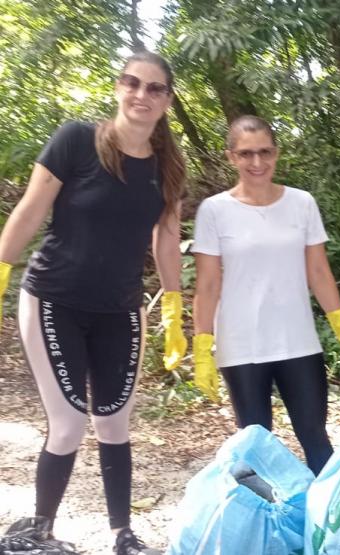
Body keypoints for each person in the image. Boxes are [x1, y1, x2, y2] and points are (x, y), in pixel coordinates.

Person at [0, 50, 187, 554]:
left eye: (154, 88)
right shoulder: (76, 141)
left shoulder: (168, 165)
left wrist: (174, 311)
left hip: (121, 308)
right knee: (68, 422)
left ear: (167, 100)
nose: (141, 95)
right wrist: (0, 270)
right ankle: (37, 531)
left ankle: (121, 533)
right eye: (132, 83)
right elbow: (30, 209)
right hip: (53, 300)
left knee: (114, 422)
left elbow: (166, 240)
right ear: (117, 87)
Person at [191, 115, 340, 476]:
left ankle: (330, 524)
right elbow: (207, 284)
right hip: (241, 346)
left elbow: (318, 271)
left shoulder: (302, 203)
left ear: (276, 153)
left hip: (297, 340)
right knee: (255, 445)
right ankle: (265, 526)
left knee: (315, 436)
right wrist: (202, 345)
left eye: (265, 152)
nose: (257, 163)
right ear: (231, 157)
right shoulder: (215, 210)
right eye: (246, 154)